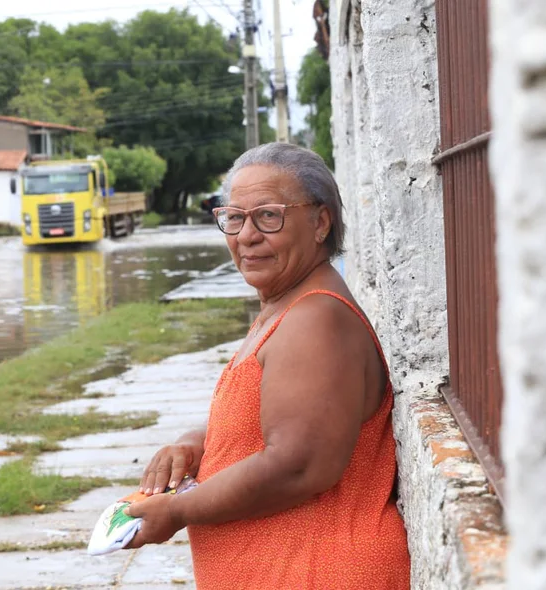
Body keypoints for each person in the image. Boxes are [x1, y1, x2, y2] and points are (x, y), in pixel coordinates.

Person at [125, 143, 410, 589]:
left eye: (268, 216)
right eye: (234, 217)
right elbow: (271, 421)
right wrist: (195, 445)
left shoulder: (316, 318)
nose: (246, 236)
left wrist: (177, 511)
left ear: (320, 222)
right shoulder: (286, 306)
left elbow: (297, 465)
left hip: (320, 570)